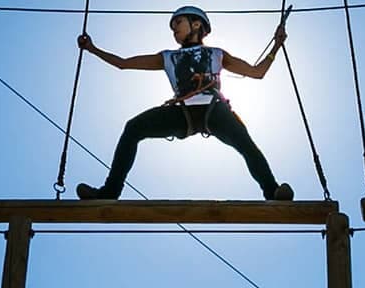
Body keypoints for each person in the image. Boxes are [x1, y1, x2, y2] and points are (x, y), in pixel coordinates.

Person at [75, 6, 294, 202]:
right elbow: (123, 64)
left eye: (178, 23)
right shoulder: (167, 57)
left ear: (196, 23)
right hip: (182, 112)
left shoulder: (217, 54)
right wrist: (93, 49)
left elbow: (257, 72)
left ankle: (272, 191)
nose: (174, 30)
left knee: (246, 145)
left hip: (214, 110)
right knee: (133, 128)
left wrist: (276, 46)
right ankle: (110, 192)